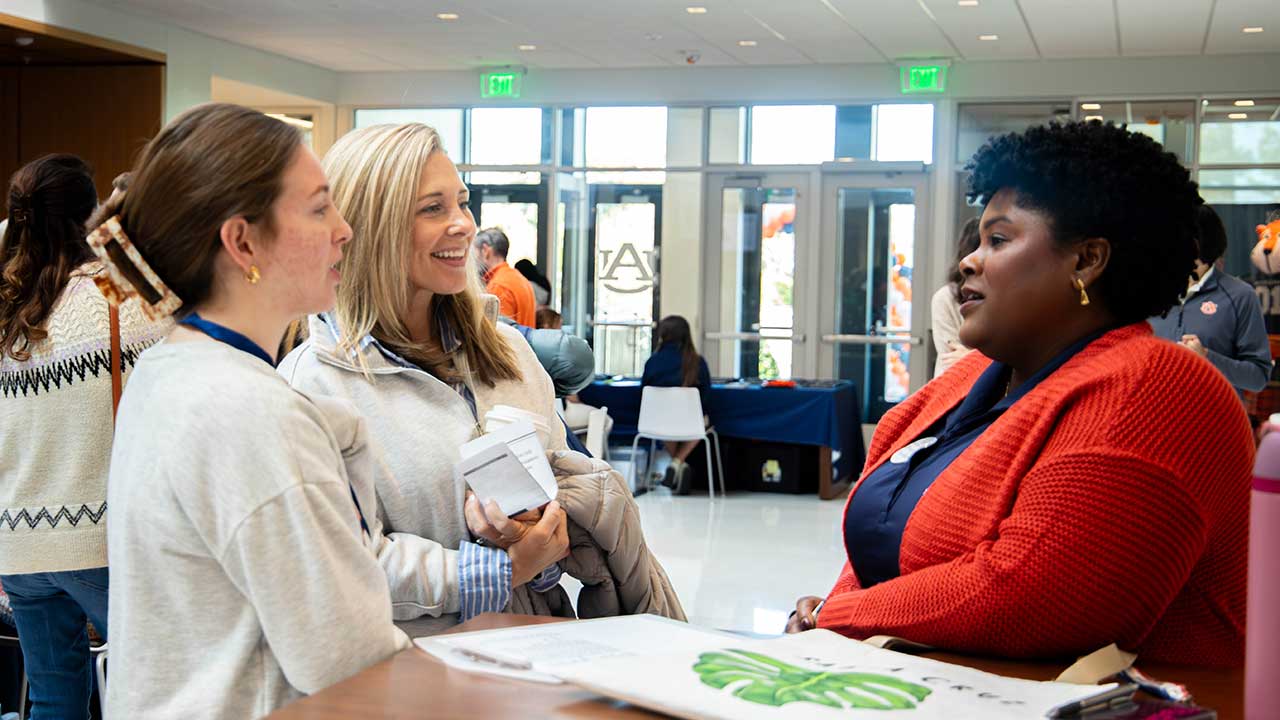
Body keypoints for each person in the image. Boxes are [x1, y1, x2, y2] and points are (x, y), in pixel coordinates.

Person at [788, 121, 1250, 668]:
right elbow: (874, 547)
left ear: (1086, 261)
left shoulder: (1157, 389)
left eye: (998, 240)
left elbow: (1036, 597)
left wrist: (842, 616)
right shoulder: (962, 385)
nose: (968, 260)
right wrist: (839, 609)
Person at [281, 122, 682, 633]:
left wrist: (537, 540)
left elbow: (556, 532)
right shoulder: (313, 387)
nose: (464, 226)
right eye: (433, 208)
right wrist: (501, 569)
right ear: (371, 226)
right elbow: (340, 568)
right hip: (415, 680)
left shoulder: (508, 352)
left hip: (536, 657)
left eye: (462, 203)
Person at [97, 103, 408, 719]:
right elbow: (349, 660)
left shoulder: (169, 370)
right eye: (319, 208)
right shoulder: (250, 412)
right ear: (242, 242)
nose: (344, 229)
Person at [0, 154, 164, 720]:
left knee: (53, 699)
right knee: (152, 688)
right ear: (90, 215)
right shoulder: (118, 295)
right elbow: (185, 320)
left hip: (18, 544)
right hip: (99, 537)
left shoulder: (6, 308)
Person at [1149, 204, 1272, 399]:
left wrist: (1206, 357)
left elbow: (1258, 377)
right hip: (1153, 423)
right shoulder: (1146, 295)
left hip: (1216, 424)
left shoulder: (1240, 296)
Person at [642, 315, 712, 495]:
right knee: (704, 421)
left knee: (663, 420)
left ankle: (676, 462)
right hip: (691, 422)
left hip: (659, 422)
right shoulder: (697, 361)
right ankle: (677, 463)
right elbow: (705, 397)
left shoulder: (653, 362)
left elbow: (643, 393)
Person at [930, 217, 981, 377]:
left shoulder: (1005, 297)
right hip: (952, 386)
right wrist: (978, 361)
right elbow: (952, 358)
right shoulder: (945, 298)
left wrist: (972, 358)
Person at [474, 227, 536, 326]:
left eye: (474, 251)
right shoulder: (518, 278)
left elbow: (500, 335)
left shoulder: (498, 286)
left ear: (485, 251)